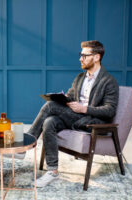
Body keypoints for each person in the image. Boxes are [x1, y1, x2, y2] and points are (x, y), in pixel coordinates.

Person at [27, 40, 119, 187]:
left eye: (84, 55)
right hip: (75, 117)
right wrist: (62, 99)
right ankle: (53, 171)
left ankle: (28, 142)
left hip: (90, 121)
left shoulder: (108, 81)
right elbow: (71, 96)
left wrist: (84, 109)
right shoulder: (80, 78)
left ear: (97, 57)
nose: (80, 58)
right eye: (80, 55)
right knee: (49, 121)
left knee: (50, 106)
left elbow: (110, 110)